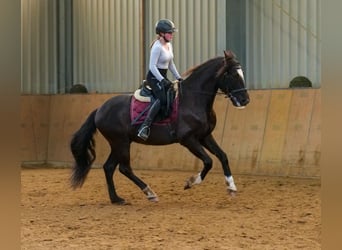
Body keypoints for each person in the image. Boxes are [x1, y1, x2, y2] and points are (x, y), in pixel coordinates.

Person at [137, 19, 183, 140]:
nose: (172, 35)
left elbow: (171, 64)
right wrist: (162, 80)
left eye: (172, 32)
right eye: (169, 32)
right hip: (154, 77)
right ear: (162, 33)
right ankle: (145, 126)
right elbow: (152, 66)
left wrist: (179, 77)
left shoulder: (169, 45)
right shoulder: (157, 47)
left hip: (163, 76)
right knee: (162, 98)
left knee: (172, 95)